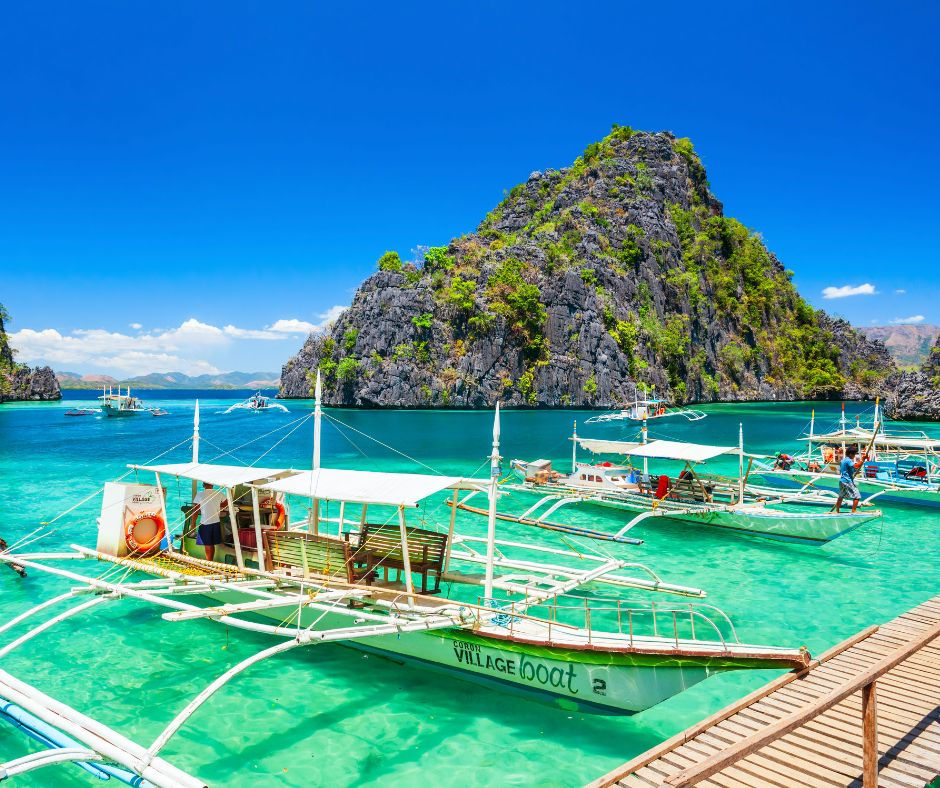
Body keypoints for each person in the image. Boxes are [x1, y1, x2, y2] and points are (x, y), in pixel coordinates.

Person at [193, 481, 223, 561]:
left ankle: (208, 562)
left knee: (207, 544)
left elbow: (195, 510)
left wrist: (193, 523)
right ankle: (210, 561)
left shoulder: (200, 494)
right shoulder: (219, 493)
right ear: (212, 484)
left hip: (205, 522)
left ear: (203, 485)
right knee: (211, 544)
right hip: (216, 521)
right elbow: (226, 503)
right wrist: (217, 506)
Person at [835, 446, 867, 514]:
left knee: (841, 496)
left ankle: (837, 510)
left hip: (842, 480)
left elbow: (849, 469)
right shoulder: (848, 460)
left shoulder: (843, 460)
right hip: (847, 481)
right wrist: (863, 459)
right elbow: (856, 466)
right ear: (850, 454)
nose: (854, 456)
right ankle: (854, 510)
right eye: (854, 454)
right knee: (857, 496)